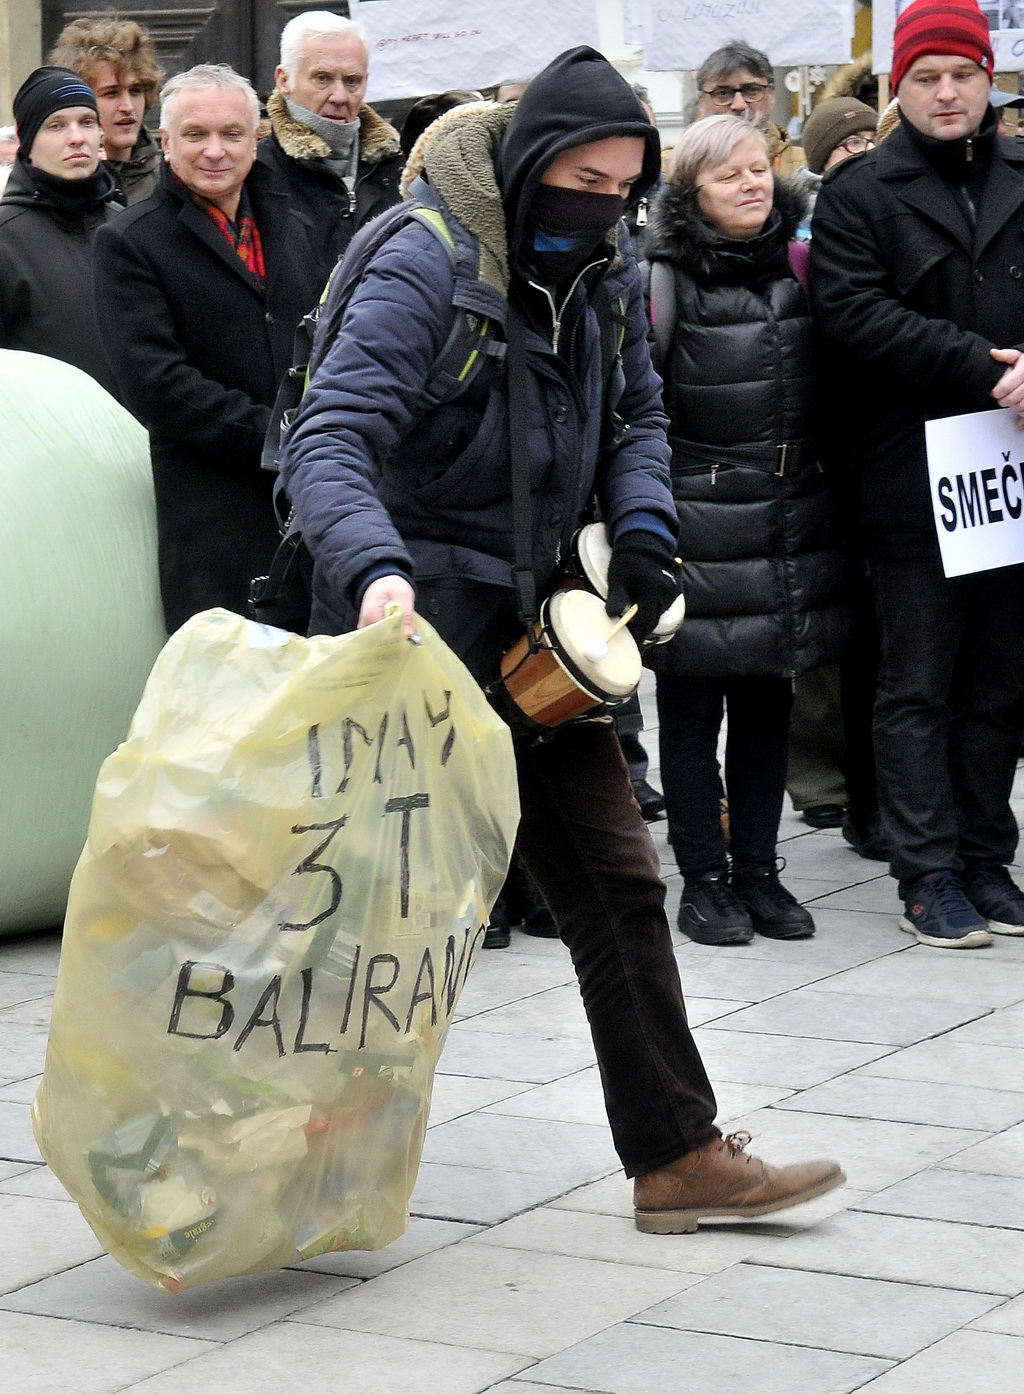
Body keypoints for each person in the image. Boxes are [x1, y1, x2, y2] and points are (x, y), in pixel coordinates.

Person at [280, 45, 844, 1231]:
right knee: (365, 914)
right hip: (406, 628)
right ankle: (274, 1156)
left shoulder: (603, 261)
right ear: (533, 163)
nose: (604, 205)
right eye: (583, 180)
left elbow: (638, 405)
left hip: (536, 635)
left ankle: (677, 1154)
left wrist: (641, 527)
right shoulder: (420, 262)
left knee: (619, 881)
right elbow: (330, 439)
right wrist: (378, 570)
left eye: (624, 185)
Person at [812, 0, 1024, 948]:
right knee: (919, 677)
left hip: (1009, 468)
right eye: (927, 77)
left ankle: (988, 855)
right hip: (912, 472)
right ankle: (927, 869)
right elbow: (857, 316)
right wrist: (989, 368)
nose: (947, 93)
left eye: (963, 75)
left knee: (1001, 676)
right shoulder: (863, 193)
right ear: (899, 87)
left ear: (991, 80)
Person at [644, 115, 846, 948]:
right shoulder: (660, 280)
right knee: (691, 718)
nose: (752, 184)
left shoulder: (803, 262)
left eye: (760, 169)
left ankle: (761, 874)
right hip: (697, 525)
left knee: (768, 712)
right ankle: (706, 882)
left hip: (787, 523)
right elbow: (639, 410)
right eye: (730, 175)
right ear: (693, 190)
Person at [93, 64, 325, 635]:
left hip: (312, 515)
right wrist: (282, 438)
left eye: (232, 134)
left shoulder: (292, 224)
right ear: (166, 143)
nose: (215, 151)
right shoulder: (129, 243)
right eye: (195, 135)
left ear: (257, 140)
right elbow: (159, 385)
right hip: (216, 521)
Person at [258, 11, 402, 291]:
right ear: (283, 80)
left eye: (352, 81)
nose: (339, 96)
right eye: (322, 78)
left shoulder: (399, 169)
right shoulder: (254, 173)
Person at [0, 66, 122, 395]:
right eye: (56, 125)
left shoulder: (127, 227)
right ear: (25, 141)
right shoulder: (6, 239)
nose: (77, 137)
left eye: (87, 122)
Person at [48, 13, 164, 205]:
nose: (127, 107)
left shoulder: (170, 184)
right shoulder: (48, 187)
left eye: (135, 91)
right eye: (111, 93)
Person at [695, 41, 805, 174]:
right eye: (723, 94)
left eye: (752, 91)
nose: (739, 105)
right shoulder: (670, 169)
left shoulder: (806, 166)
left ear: (771, 95)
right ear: (701, 101)